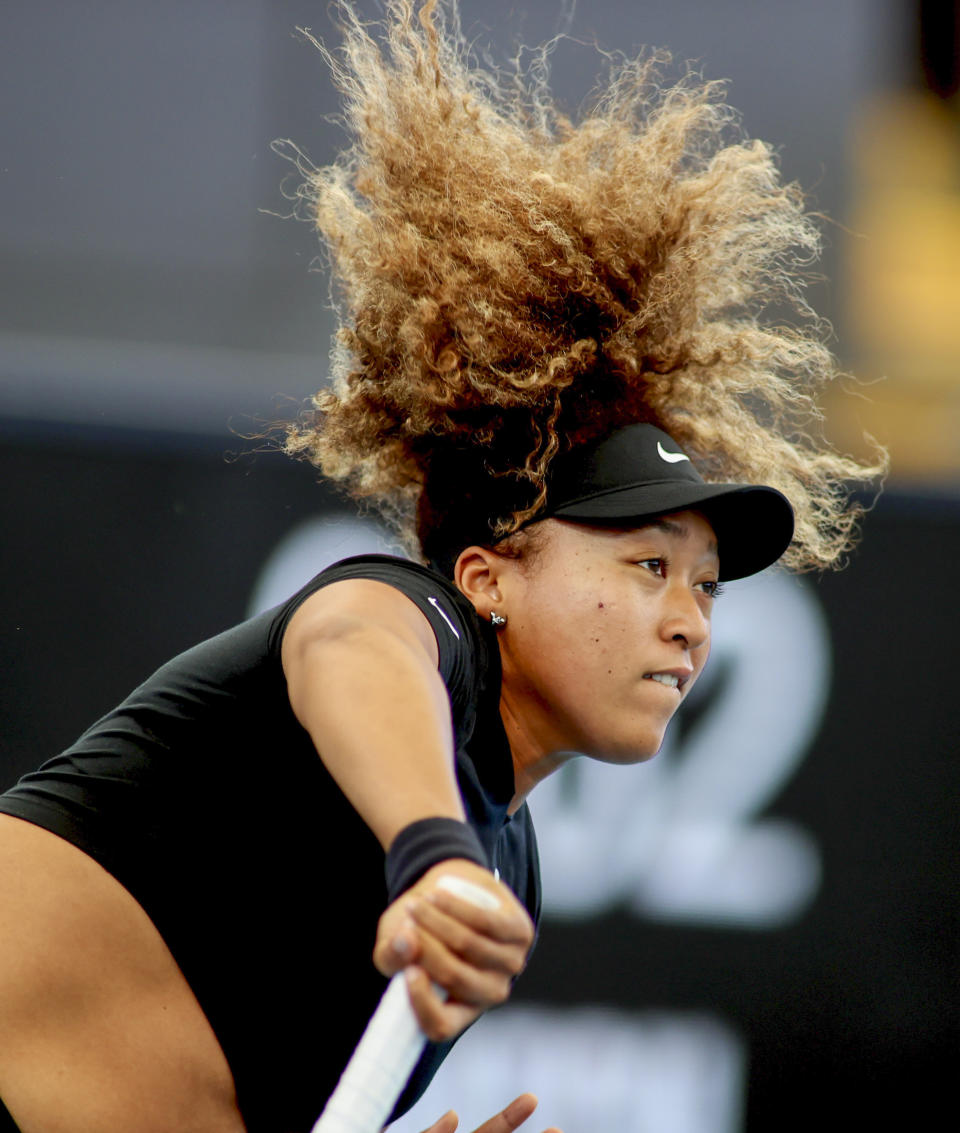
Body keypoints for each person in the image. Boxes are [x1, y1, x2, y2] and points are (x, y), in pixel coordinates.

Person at [0, 2, 884, 1131]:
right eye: (650, 561)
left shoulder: (504, 871)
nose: (691, 620)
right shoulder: (403, 619)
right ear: (487, 575)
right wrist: (430, 852)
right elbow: (352, 648)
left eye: (705, 583)